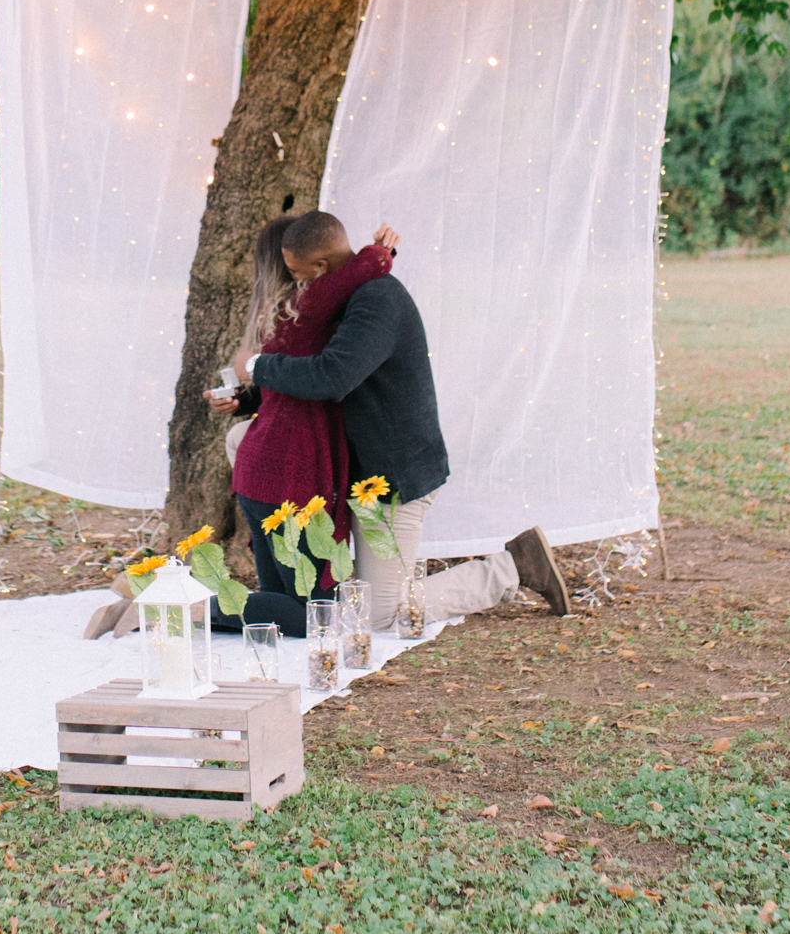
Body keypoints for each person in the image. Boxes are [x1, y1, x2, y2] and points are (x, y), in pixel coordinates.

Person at [234, 210, 570, 629]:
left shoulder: (378, 301)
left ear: (321, 266)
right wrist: (248, 400)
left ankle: (514, 568)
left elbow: (332, 376)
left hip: (392, 478)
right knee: (241, 438)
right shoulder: (344, 295)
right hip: (353, 472)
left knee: (378, 615)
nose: (300, 286)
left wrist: (259, 367)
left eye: (301, 276)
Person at [206, 218, 399, 637]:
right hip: (289, 483)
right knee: (318, 614)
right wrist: (379, 253)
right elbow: (360, 269)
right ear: (318, 267)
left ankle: (174, 607)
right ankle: (179, 608)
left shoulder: (279, 317)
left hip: (257, 477)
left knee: (278, 606)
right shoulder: (311, 308)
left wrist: (241, 397)